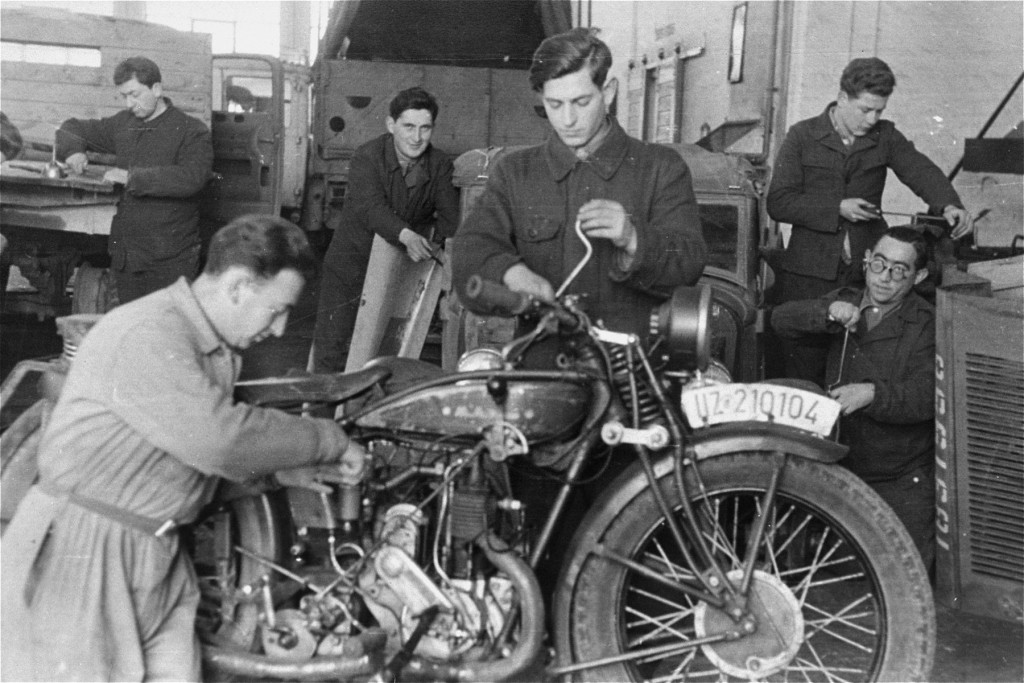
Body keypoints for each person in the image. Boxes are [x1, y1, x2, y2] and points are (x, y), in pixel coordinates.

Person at [0, 215, 367, 682]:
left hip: (157, 551)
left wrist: (276, 475)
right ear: (237, 286)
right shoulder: (149, 332)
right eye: (277, 310)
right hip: (83, 553)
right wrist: (326, 440)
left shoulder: (210, 350)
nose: (280, 330)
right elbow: (221, 439)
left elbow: (176, 463)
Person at [452, 27, 706, 340]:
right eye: (555, 105)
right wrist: (511, 273)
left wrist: (633, 238)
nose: (568, 120)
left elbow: (690, 263)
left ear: (609, 92)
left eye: (581, 102)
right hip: (542, 372)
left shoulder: (661, 168)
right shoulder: (515, 173)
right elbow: (470, 251)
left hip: (632, 372)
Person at [766, 56, 972, 384]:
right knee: (805, 370)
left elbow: (919, 169)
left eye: (880, 110)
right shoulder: (802, 136)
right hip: (808, 279)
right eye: (866, 110)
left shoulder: (884, 136)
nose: (873, 118)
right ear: (842, 98)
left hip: (866, 275)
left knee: (859, 368)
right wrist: (837, 207)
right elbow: (778, 203)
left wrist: (948, 203)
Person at [771, 227, 937, 575]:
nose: (884, 278)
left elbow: (926, 398)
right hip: (835, 463)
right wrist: (827, 312)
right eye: (879, 263)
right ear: (866, 262)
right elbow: (780, 320)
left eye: (899, 270)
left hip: (895, 476)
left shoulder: (926, 323)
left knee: (906, 576)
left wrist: (872, 394)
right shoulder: (846, 298)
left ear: (918, 276)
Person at [312, 86, 459, 372]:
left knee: (385, 352)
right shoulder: (367, 156)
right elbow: (370, 207)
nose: (417, 138)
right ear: (391, 125)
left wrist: (436, 245)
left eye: (425, 128)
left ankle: (369, 415)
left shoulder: (440, 164)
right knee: (332, 350)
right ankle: (322, 416)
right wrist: (407, 235)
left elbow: (451, 219)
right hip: (350, 266)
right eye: (408, 127)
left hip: (398, 272)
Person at [55, 56, 213, 304]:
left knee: (166, 330)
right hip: (127, 257)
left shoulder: (191, 130)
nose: (129, 104)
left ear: (157, 89)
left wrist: (132, 178)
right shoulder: (124, 124)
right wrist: (74, 150)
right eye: (124, 96)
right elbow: (71, 127)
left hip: (169, 259)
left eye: (135, 94)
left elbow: (192, 178)